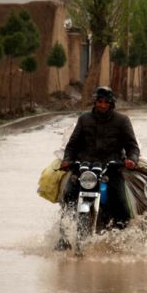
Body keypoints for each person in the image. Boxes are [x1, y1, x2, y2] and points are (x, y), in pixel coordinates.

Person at [60, 86, 139, 227]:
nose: (103, 105)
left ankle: (121, 235)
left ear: (111, 104)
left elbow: (132, 147)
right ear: (95, 102)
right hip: (85, 168)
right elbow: (72, 145)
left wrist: (131, 160)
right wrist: (67, 160)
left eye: (106, 102)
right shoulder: (84, 119)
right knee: (68, 194)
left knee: (121, 203)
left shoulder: (122, 121)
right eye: (100, 101)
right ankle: (64, 232)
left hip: (111, 169)